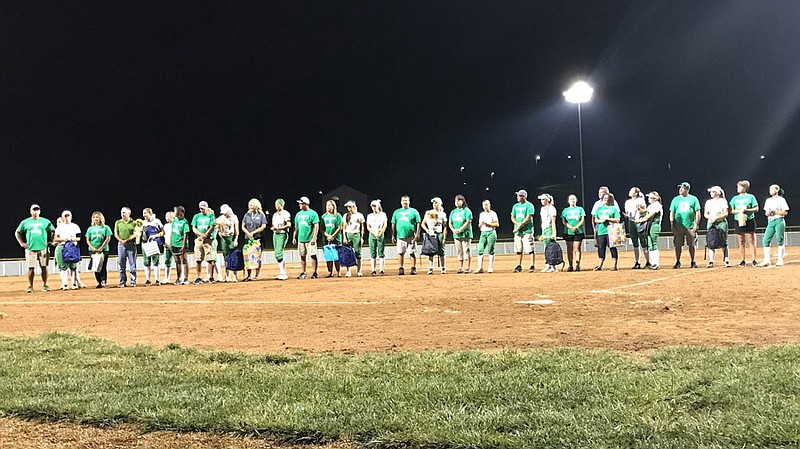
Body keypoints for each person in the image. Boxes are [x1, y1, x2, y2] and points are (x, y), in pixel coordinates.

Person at [15, 204, 55, 293]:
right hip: (31, 248)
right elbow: (17, 232)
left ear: (40, 211)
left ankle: (45, 285)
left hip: (43, 248)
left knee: (44, 267)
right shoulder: (25, 222)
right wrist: (21, 243)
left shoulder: (45, 221)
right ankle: (30, 286)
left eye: (37, 210)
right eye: (34, 210)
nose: (35, 212)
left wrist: (51, 241)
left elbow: (53, 230)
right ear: (30, 211)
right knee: (31, 268)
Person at [669, 182, 702, 269]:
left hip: (690, 225)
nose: (680, 190)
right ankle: (678, 261)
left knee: (691, 244)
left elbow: (698, 212)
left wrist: (696, 224)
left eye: (682, 188)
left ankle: (693, 261)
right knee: (678, 245)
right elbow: (672, 212)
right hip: (678, 226)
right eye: (680, 188)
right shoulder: (675, 199)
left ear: (687, 189)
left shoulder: (693, 199)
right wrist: (672, 223)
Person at [729, 180, 759, 267]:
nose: (737, 188)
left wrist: (746, 210)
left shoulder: (751, 197)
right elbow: (731, 210)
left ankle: (754, 259)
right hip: (739, 220)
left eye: (739, 186)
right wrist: (738, 211)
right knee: (741, 241)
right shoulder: (734, 198)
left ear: (744, 188)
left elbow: (756, 209)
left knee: (751, 240)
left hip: (749, 220)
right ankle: (742, 260)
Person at [54, 210, 86, 290]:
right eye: (65, 216)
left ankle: (74, 284)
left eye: (68, 215)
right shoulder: (60, 227)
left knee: (73, 266)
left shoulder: (75, 226)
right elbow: (56, 238)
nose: (67, 217)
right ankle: (65, 284)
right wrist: (65, 239)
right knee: (62, 266)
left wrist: (71, 239)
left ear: (71, 216)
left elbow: (79, 237)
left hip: (72, 246)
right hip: (62, 246)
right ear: (63, 217)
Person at [391, 195, 421, 275]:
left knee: (412, 252)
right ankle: (401, 268)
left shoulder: (414, 211)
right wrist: (393, 235)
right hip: (400, 236)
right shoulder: (396, 212)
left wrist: (417, 234)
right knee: (400, 252)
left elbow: (418, 222)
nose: (405, 202)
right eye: (403, 200)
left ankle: (413, 268)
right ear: (401, 202)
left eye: (406, 200)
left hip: (411, 236)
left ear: (409, 201)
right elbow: (393, 224)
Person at [761, 184, 790, 266]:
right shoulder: (768, 200)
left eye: (772, 189)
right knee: (765, 240)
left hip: (779, 220)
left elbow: (785, 212)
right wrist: (769, 213)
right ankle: (767, 260)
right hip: (770, 221)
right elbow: (766, 213)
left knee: (779, 240)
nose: (770, 191)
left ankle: (780, 260)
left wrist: (775, 212)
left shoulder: (781, 200)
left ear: (777, 190)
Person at [293, 196, 320, 279]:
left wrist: (314, 238)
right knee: (302, 255)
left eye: (301, 203)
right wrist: (294, 237)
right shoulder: (298, 214)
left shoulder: (313, 213)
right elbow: (296, 227)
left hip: (310, 239)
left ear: (305, 204)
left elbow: (316, 226)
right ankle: (304, 272)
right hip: (301, 239)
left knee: (313, 255)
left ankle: (314, 272)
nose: (299, 205)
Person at [703, 186, 730, 268]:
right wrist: (710, 218)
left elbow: (726, 213)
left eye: (712, 192)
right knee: (711, 241)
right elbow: (705, 214)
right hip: (711, 222)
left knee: (723, 241)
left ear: (717, 193)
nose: (711, 193)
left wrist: (717, 218)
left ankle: (726, 259)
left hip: (721, 222)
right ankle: (711, 261)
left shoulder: (723, 201)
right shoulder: (708, 202)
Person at [190, 201, 217, 284]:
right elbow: (194, 227)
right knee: (198, 259)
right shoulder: (196, 216)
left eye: (203, 208)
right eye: (200, 208)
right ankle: (198, 277)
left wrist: (206, 234)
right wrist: (200, 234)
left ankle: (210, 277)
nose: (201, 210)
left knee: (210, 259)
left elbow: (212, 226)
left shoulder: (211, 216)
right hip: (199, 239)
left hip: (208, 239)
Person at [241, 198, 268, 281]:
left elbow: (263, 226)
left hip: (258, 238)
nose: (251, 207)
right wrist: (248, 233)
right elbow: (243, 226)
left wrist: (254, 232)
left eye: (252, 206)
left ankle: (257, 275)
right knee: (247, 257)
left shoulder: (261, 215)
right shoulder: (247, 215)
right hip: (248, 238)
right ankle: (248, 275)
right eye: (250, 206)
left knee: (257, 257)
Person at [593, 192, 620, 271]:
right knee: (601, 248)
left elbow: (617, 219)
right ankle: (600, 265)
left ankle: (614, 265)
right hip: (601, 231)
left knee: (612, 247)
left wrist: (608, 219)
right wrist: (601, 220)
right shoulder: (599, 209)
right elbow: (596, 219)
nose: (605, 200)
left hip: (611, 231)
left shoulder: (613, 208)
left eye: (607, 199)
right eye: (604, 198)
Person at [636, 192, 664, 270]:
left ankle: (656, 263)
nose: (648, 199)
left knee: (654, 244)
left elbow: (648, 216)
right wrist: (640, 210)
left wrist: (639, 220)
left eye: (650, 198)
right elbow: (646, 212)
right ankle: (652, 263)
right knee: (650, 244)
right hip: (650, 225)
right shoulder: (652, 206)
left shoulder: (657, 205)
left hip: (654, 225)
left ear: (654, 199)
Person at [86, 211, 112, 288]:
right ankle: (98, 282)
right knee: (95, 266)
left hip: (104, 250)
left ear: (101, 218)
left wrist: (101, 248)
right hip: (92, 250)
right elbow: (88, 239)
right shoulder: (90, 228)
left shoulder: (105, 227)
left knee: (103, 266)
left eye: (97, 217)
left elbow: (108, 238)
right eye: (94, 217)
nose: (95, 219)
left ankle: (103, 281)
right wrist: (93, 248)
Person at [511, 190, 535, 273]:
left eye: (519, 196)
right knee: (518, 248)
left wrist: (521, 224)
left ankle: (532, 265)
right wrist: (518, 224)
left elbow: (528, 217)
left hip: (527, 230)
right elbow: (512, 217)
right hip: (518, 232)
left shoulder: (529, 205)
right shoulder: (515, 206)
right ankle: (519, 265)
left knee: (530, 248)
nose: (518, 197)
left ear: (524, 196)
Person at [624, 187, 649, 269]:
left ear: (636, 193)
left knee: (643, 241)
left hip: (639, 221)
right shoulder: (627, 202)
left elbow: (644, 211)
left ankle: (648, 261)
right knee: (634, 242)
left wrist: (640, 210)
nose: (629, 192)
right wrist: (626, 215)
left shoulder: (640, 200)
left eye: (631, 191)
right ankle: (637, 262)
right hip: (631, 221)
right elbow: (627, 211)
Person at [421, 197, 447, 275]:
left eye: (436, 203)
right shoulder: (428, 213)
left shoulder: (443, 214)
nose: (434, 204)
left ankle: (443, 268)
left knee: (441, 251)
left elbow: (445, 226)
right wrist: (427, 230)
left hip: (439, 233)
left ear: (440, 203)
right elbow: (423, 223)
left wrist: (444, 237)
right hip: (431, 234)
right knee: (430, 251)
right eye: (433, 203)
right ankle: (431, 268)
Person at [561, 194, 586, 272]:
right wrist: (570, 227)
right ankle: (570, 265)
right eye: (571, 199)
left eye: (574, 199)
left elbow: (582, 219)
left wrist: (576, 227)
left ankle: (577, 264)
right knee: (569, 248)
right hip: (568, 232)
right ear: (568, 201)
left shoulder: (580, 209)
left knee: (577, 248)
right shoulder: (565, 210)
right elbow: (564, 221)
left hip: (578, 231)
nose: (572, 200)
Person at [449, 194, 473, 273]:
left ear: (462, 201)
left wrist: (460, 229)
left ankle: (468, 267)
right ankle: (460, 267)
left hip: (466, 234)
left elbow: (468, 221)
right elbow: (450, 223)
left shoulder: (466, 210)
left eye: (459, 200)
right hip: (456, 235)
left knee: (466, 250)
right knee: (459, 251)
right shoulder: (453, 212)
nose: (457, 202)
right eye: (456, 200)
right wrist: (453, 230)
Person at [114, 207, 138, 288]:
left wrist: (127, 240)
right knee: (121, 264)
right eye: (121, 212)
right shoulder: (118, 222)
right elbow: (116, 233)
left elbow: (135, 233)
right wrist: (121, 241)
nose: (122, 214)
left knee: (132, 264)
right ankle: (122, 281)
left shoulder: (134, 223)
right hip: (121, 245)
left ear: (129, 213)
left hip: (131, 244)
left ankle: (133, 281)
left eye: (124, 212)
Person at [216, 204, 240, 282]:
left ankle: (234, 275)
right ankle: (227, 275)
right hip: (224, 238)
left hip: (231, 237)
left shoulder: (234, 218)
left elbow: (237, 229)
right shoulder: (221, 218)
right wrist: (220, 232)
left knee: (233, 256)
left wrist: (236, 239)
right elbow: (216, 225)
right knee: (226, 256)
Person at [141, 208, 164, 286]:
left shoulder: (157, 221)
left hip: (155, 243)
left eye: (145, 213)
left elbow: (163, 232)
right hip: (145, 244)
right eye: (143, 213)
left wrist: (155, 235)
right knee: (146, 262)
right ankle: (148, 280)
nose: (144, 215)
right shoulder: (143, 223)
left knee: (156, 261)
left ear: (150, 213)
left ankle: (157, 280)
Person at [474, 199, 499, 273]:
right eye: (484, 205)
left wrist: (488, 223)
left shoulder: (493, 213)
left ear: (489, 205)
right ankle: (480, 267)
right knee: (480, 249)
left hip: (491, 232)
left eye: (486, 205)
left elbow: (496, 224)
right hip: (483, 232)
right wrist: (481, 224)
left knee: (490, 249)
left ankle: (490, 267)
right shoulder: (481, 214)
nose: (485, 206)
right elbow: (479, 225)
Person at [342, 201, 366, 277]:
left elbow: (362, 227)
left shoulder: (359, 215)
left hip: (356, 234)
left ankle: (359, 270)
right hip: (348, 234)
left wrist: (361, 237)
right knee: (347, 253)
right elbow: (344, 227)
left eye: (349, 206)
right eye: (347, 207)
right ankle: (348, 271)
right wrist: (344, 237)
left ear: (353, 206)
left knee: (358, 253)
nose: (348, 208)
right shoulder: (345, 215)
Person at [270, 199, 292, 280]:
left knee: (279, 252)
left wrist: (280, 228)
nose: (276, 206)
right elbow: (273, 224)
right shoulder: (275, 215)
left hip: (282, 233)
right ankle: (282, 272)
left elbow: (289, 224)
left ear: (281, 205)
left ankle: (283, 273)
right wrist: (274, 228)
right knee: (277, 253)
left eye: (278, 204)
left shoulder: (285, 213)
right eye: (275, 204)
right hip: (275, 233)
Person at [321, 199, 343, 277]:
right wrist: (328, 236)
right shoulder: (323, 216)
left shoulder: (337, 215)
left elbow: (340, 227)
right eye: (327, 205)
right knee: (328, 256)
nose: (328, 207)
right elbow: (322, 229)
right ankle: (330, 272)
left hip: (336, 239)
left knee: (336, 256)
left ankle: (338, 271)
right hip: (327, 239)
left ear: (334, 206)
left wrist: (333, 236)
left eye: (330, 205)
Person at [169, 206, 191, 285]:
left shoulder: (184, 222)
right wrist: (170, 242)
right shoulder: (174, 221)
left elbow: (185, 235)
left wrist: (184, 245)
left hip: (181, 244)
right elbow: (172, 231)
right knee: (177, 261)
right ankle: (178, 278)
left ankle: (185, 278)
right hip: (174, 244)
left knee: (184, 261)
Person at [537, 194, 558, 273]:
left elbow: (553, 222)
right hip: (544, 229)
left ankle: (553, 266)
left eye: (543, 199)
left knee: (551, 248)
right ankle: (548, 265)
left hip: (549, 229)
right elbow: (542, 221)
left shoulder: (552, 209)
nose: (542, 201)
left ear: (547, 200)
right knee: (546, 248)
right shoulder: (542, 209)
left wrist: (553, 232)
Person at [366, 199, 388, 276]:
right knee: (372, 252)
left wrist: (380, 232)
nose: (374, 208)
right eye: (372, 206)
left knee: (381, 252)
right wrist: (373, 233)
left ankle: (381, 269)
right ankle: (373, 270)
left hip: (380, 233)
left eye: (375, 206)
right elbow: (368, 226)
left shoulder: (383, 214)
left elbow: (385, 225)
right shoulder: (370, 216)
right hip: (372, 234)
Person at [161, 211, 175, 284]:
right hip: (167, 245)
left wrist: (172, 244)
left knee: (178, 262)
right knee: (167, 262)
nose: (166, 218)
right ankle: (167, 278)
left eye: (167, 216)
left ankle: (181, 277)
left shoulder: (175, 225)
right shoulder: (165, 226)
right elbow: (164, 235)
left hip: (175, 245)